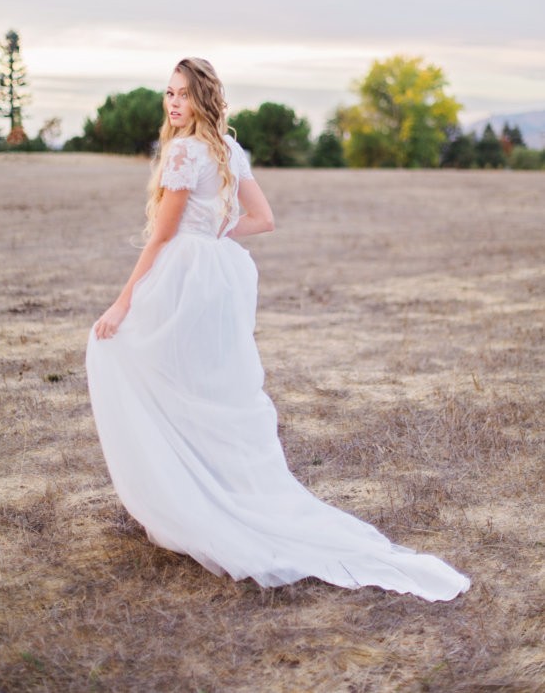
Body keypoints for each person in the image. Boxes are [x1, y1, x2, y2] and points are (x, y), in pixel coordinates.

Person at [86, 57, 470, 602]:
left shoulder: (184, 152)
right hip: (219, 278)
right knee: (210, 388)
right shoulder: (228, 150)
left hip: (182, 278)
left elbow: (162, 238)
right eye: (168, 93)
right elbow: (262, 220)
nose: (173, 104)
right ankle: (205, 488)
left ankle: (186, 497)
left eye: (184, 95)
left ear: (203, 100)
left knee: (134, 361)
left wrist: (122, 303)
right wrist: (217, 230)